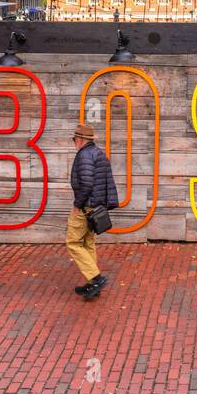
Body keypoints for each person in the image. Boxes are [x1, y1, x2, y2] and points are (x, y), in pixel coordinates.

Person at [66, 123, 119, 301]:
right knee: (88, 242)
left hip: (85, 206)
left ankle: (96, 278)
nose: (74, 143)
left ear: (80, 140)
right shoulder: (98, 153)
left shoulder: (84, 155)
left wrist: (77, 204)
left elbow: (87, 184)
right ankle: (93, 283)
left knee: (73, 241)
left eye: (74, 139)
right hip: (95, 206)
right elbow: (107, 182)